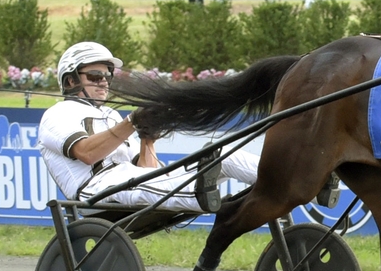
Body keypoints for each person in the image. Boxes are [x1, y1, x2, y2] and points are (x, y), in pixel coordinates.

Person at [37, 41, 258, 211]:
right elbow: (86, 153)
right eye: (95, 76)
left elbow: (148, 172)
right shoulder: (57, 114)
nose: (104, 82)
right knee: (139, 182)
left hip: (132, 181)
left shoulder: (111, 115)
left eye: (107, 76)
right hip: (96, 190)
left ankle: (283, 178)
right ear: (70, 81)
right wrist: (132, 121)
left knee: (223, 155)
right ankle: (198, 192)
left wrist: (147, 138)